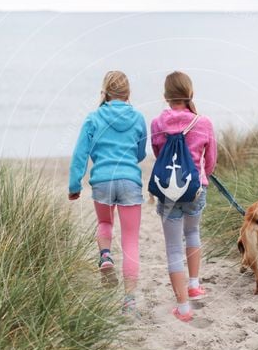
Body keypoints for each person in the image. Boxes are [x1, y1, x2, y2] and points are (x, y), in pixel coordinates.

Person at [69, 70, 147, 314]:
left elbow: (80, 154)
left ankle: (105, 255)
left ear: (104, 93)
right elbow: (141, 152)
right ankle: (130, 301)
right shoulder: (138, 118)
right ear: (128, 93)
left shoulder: (93, 118)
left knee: (104, 222)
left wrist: (74, 185)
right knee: (130, 239)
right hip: (129, 181)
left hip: (101, 180)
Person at [151, 71, 217, 322]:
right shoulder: (204, 123)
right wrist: (202, 177)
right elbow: (210, 161)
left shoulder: (158, 123)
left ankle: (183, 308)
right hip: (195, 189)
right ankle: (194, 285)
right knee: (192, 233)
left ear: (166, 96)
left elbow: (159, 154)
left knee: (172, 247)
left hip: (169, 191)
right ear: (190, 94)